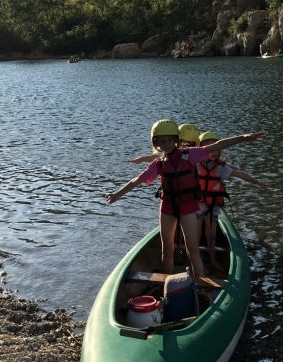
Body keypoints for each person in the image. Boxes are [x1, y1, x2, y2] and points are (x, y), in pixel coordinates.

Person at [106, 119, 266, 279]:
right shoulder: (158, 164)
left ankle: (201, 284)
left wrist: (244, 137)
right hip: (167, 208)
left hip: (188, 207)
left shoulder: (190, 155)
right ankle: (167, 285)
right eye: (162, 141)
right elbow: (137, 180)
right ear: (156, 143)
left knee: (193, 250)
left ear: (176, 140)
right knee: (166, 249)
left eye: (169, 140)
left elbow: (216, 146)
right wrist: (116, 195)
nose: (166, 144)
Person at [196, 131, 269, 269]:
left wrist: (258, 183)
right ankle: (197, 258)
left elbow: (240, 174)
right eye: (208, 146)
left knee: (211, 234)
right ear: (201, 149)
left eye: (215, 147)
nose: (213, 150)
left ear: (220, 150)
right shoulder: (195, 165)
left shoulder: (221, 168)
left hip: (213, 206)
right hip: (199, 204)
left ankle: (212, 260)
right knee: (197, 232)